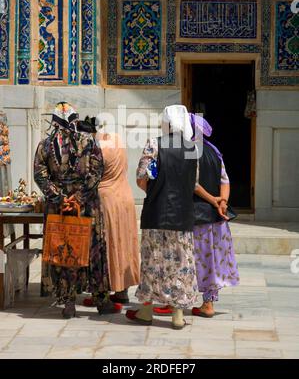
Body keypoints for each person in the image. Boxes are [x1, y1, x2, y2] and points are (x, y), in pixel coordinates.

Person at [34, 102, 110, 318]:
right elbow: (97, 172)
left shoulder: (46, 145)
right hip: (87, 206)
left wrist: (61, 198)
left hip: (59, 208)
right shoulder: (90, 142)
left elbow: (40, 175)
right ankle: (101, 300)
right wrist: (78, 197)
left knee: (64, 251)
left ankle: (68, 302)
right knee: (93, 250)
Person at [126, 105, 198, 329]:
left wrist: (156, 193)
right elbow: (193, 182)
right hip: (183, 215)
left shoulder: (154, 144)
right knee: (180, 263)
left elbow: (141, 177)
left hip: (156, 213)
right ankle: (177, 315)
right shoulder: (193, 148)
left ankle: (146, 311)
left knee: (152, 261)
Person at [78, 116, 140, 304]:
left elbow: (89, 177)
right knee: (124, 244)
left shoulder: (96, 149)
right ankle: (122, 291)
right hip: (125, 196)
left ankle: (102, 291)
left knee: (106, 245)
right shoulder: (117, 139)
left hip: (106, 200)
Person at [190, 113, 240, 317]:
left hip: (196, 214)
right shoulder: (214, 151)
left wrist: (212, 200)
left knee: (193, 257)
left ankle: (176, 300)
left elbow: (191, 182)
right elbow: (225, 180)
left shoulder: (189, 150)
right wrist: (223, 203)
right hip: (216, 216)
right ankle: (208, 303)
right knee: (212, 258)